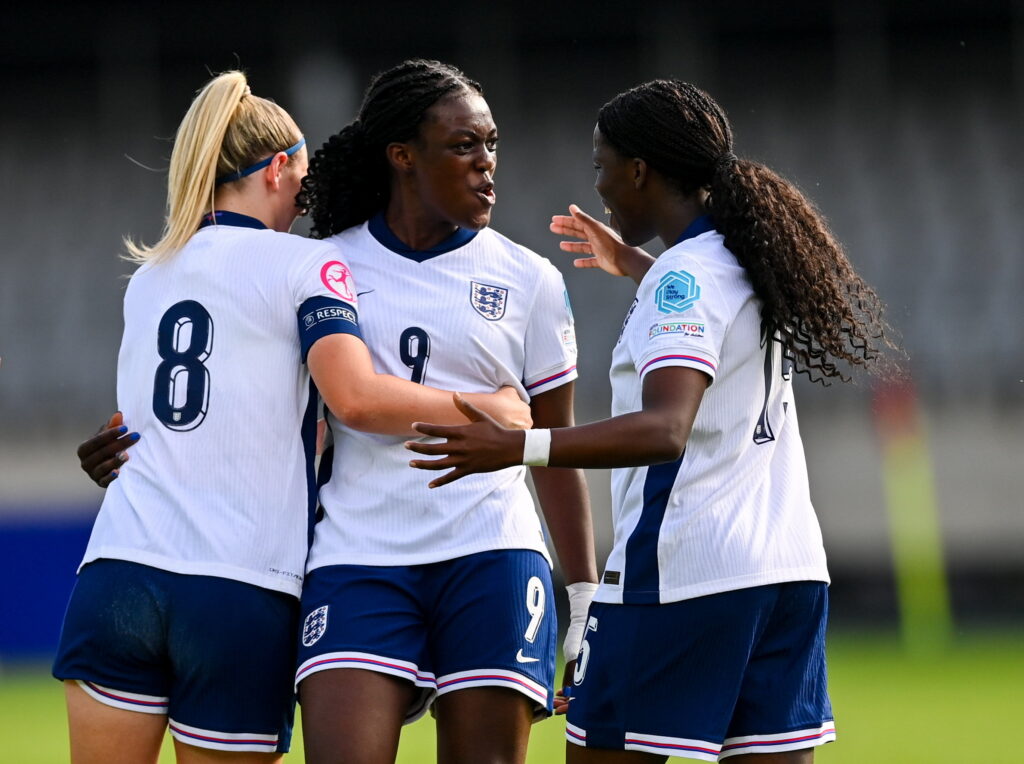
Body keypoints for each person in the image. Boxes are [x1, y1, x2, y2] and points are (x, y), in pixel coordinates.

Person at [408, 79, 892, 763]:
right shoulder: (741, 261)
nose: (599, 183)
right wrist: (637, 264)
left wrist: (517, 445)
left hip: (683, 576)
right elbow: (707, 318)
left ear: (640, 171)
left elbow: (666, 429)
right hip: (787, 576)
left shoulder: (681, 282)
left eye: (602, 165)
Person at [56, 70, 530, 764]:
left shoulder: (154, 272)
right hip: (238, 582)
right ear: (277, 169)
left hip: (118, 570)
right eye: (302, 184)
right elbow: (358, 398)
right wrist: (487, 406)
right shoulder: (312, 264)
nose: (306, 206)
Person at [293, 59, 598, 764]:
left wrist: (583, 596)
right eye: (464, 146)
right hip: (358, 555)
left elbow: (556, 447)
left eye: (491, 144)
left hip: (491, 554)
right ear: (403, 155)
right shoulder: (326, 266)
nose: (487, 165)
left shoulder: (530, 280)